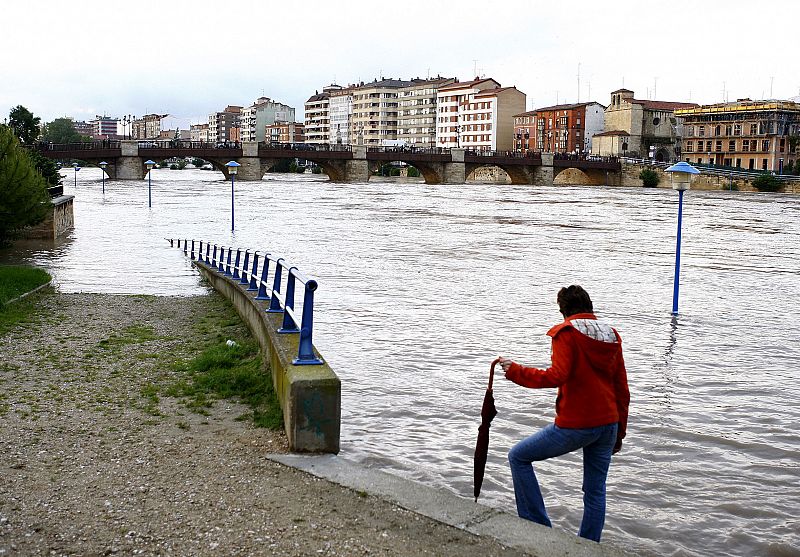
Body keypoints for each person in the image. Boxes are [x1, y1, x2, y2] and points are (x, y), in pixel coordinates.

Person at [498, 285, 629, 543]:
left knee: (518, 457)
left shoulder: (566, 333)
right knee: (595, 491)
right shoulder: (611, 335)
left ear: (563, 311)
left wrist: (515, 371)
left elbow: (557, 375)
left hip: (577, 423)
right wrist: (619, 433)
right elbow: (622, 389)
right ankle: (588, 546)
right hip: (608, 423)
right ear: (589, 306)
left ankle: (537, 527)